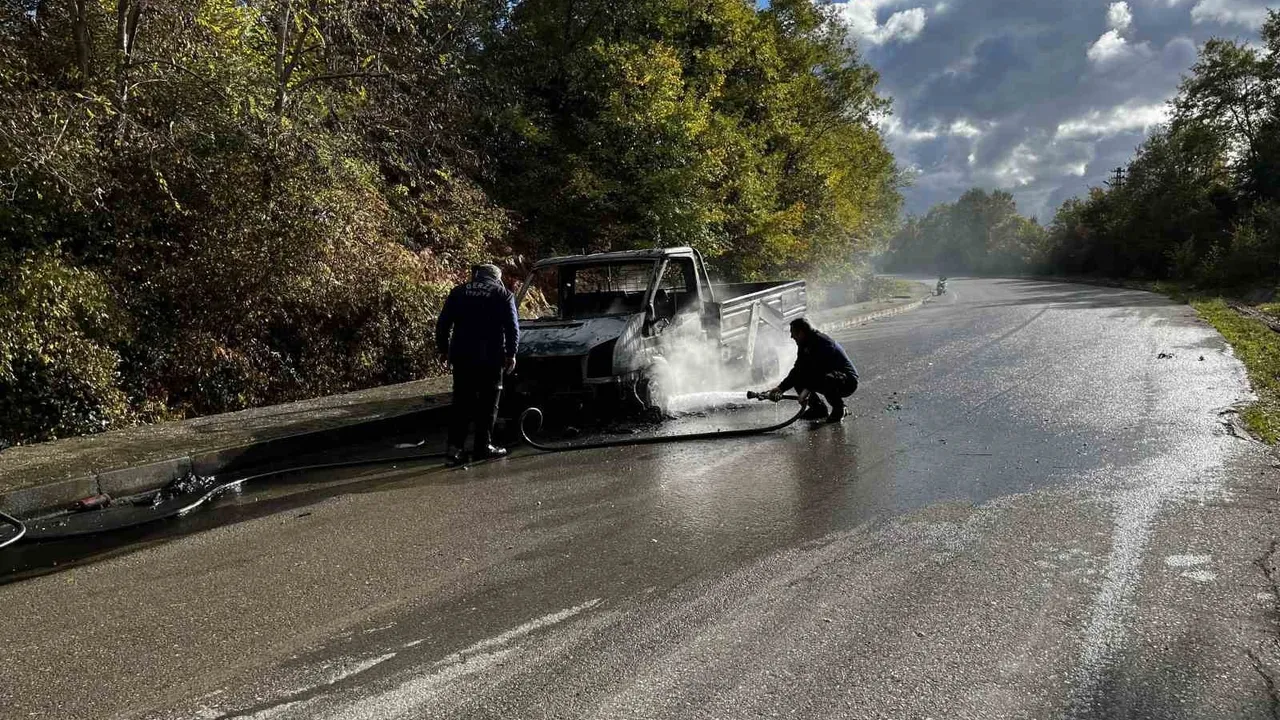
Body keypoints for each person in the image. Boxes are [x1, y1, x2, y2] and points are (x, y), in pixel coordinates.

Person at [435, 264, 520, 464]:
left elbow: (443, 323)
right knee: (489, 403)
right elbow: (512, 327)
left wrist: (443, 349)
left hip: (462, 356)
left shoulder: (458, 292)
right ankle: (484, 446)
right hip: (490, 357)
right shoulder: (503, 294)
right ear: (496, 278)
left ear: (477, 276)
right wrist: (511, 354)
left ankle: (455, 449)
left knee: (461, 402)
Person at [760, 318, 858, 423]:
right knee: (799, 377)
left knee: (827, 378)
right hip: (827, 376)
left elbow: (819, 370)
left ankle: (839, 409)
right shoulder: (804, 344)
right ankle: (818, 409)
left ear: (801, 333)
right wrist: (780, 388)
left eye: (793, 333)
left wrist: (805, 392)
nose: (791, 336)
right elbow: (798, 369)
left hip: (847, 381)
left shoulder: (823, 343)